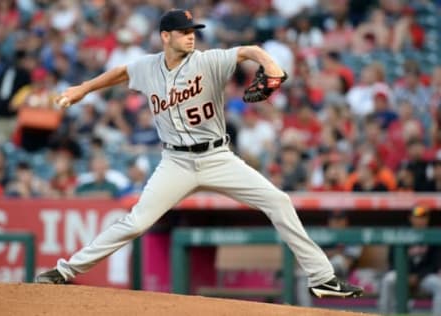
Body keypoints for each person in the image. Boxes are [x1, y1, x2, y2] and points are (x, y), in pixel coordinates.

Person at [35, 8, 363, 299]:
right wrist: (82, 89)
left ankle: (322, 278)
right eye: (184, 33)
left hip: (217, 157)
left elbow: (249, 50)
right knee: (136, 223)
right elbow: (120, 72)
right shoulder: (148, 67)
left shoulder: (209, 61)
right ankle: (64, 271)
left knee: (279, 201)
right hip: (175, 162)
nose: (192, 37)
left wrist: (271, 65)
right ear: (166, 36)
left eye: (194, 32)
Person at [378, 205, 441, 316]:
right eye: (417, 217)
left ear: (428, 219)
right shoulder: (400, 233)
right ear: (411, 218)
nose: (421, 220)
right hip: (402, 273)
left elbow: (435, 264)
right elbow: (392, 260)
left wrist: (418, 276)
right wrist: (405, 275)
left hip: (423, 277)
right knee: (388, 280)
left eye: (424, 217)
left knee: (439, 285)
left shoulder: (433, 234)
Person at [296, 210, 363, 306]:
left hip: (343, 275)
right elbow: (313, 256)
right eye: (334, 219)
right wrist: (336, 252)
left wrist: (326, 254)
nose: (337, 222)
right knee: (302, 274)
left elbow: (348, 262)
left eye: (340, 219)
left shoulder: (353, 235)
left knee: (338, 260)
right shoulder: (323, 235)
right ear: (329, 221)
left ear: (346, 221)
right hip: (321, 272)